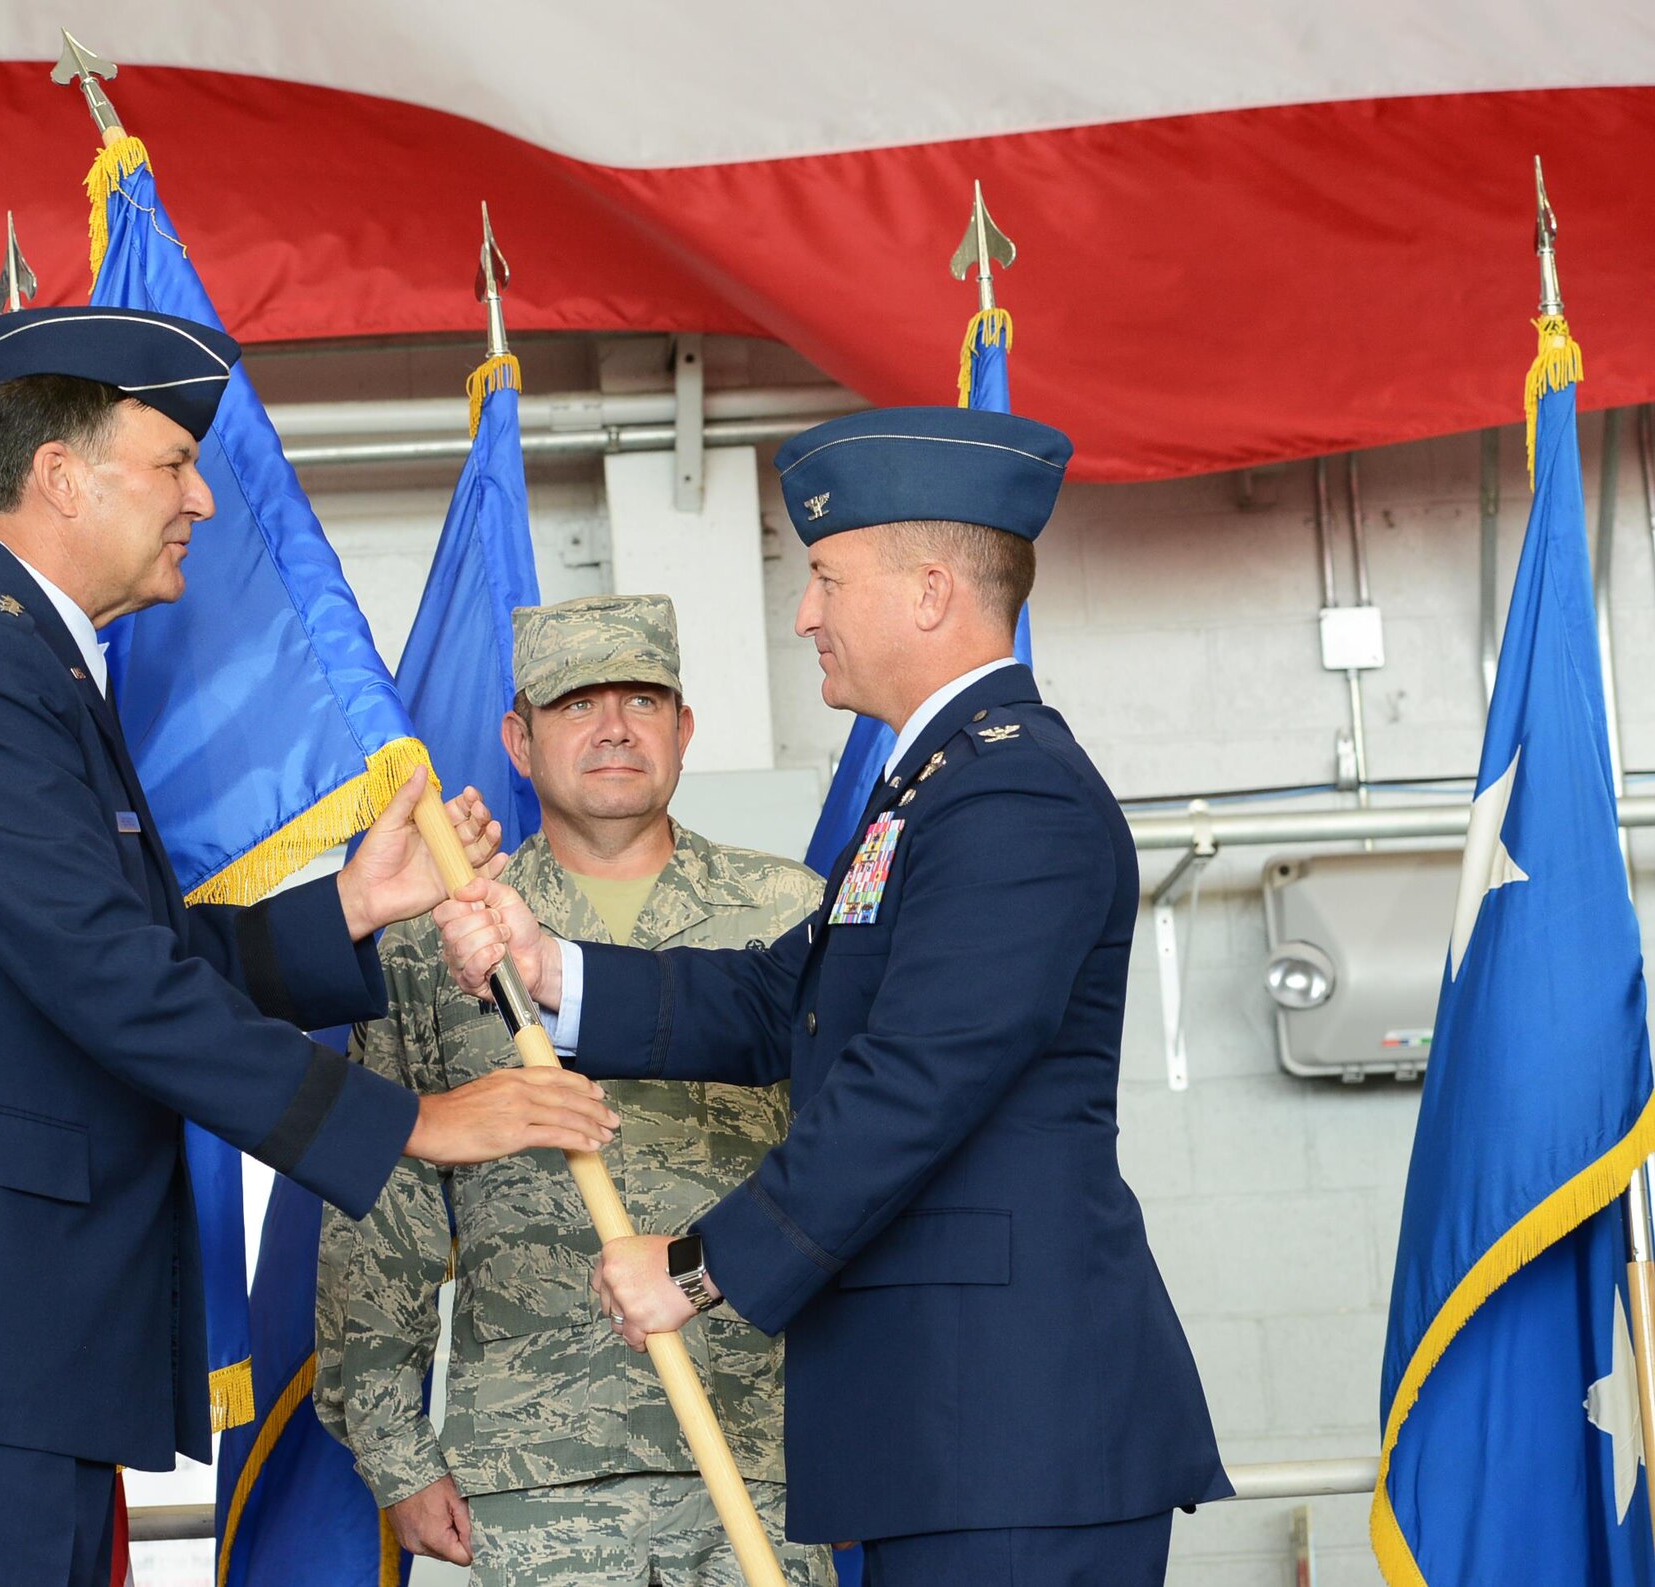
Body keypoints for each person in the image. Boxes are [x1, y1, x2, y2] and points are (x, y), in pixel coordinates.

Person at [0, 306, 618, 1587]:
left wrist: (350, 909)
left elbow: (119, 950)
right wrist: (413, 1124)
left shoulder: (27, 655)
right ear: (60, 475)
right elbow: (112, 982)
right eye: (171, 463)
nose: (202, 498)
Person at [435, 407, 1230, 1587]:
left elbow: (912, 1084)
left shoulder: (1012, 800)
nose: (803, 613)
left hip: (1014, 1434)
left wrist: (699, 1266)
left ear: (924, 592)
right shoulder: (935, 788)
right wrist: (551, 968)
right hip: (950, 1430)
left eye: (822, 578)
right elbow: (784, 1000)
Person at [316, 594, 833, 1587]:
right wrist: (393, 1451)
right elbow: (383, 1201)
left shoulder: (790, 918)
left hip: (757, 1448)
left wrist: (861, 1432)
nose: (612, 730)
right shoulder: (437, 938)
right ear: (518, 738)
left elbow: (855, 1166)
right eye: (574, 704)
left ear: (683, 729)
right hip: (531, 1469)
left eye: (642, 700)